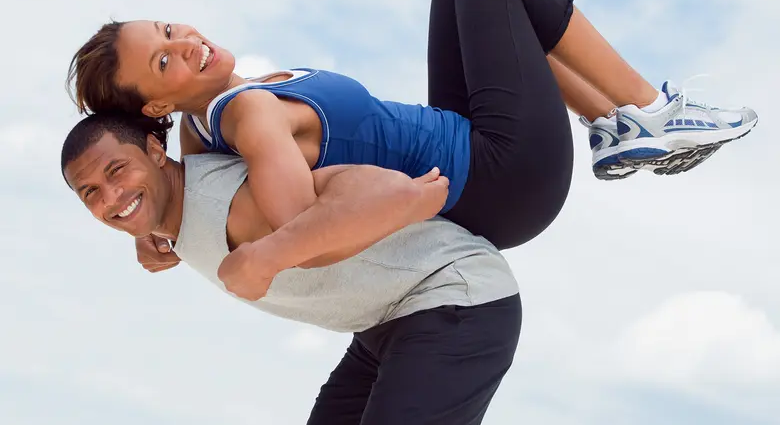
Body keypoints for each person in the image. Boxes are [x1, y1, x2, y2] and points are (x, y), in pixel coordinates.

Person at [66, 0, 758, 260]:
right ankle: (651, 111)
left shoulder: (202, 126)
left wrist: (159, 237)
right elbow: (296, 225)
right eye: (163, 59)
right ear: (156, 103)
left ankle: (613, 125)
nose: (183, 41)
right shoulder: (248, 118)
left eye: (166, 28)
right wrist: (258, 261)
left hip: (471, 144)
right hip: (498, 177)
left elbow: (183, 186)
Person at [61, 113, 522, 425]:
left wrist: (270, 254)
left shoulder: (227, 200)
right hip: (385, 324)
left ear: (154, 151)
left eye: (117, 170)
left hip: (454, 293)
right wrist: (150, 227)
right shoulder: (180, 210)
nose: (110, 198)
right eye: (91, 193)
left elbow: (363, 185)